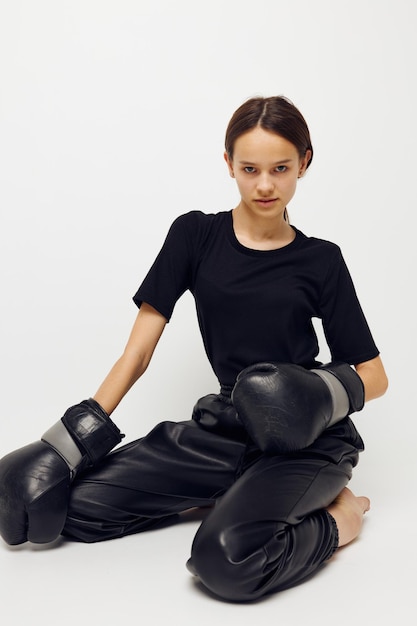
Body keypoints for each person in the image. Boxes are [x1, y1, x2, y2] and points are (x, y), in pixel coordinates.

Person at [0, 96, 388, 602]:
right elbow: (136, 354)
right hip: (224, 430)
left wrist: (313, 394)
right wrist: (67, 443)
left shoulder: (321, 260)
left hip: (304, 439)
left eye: (281, 168)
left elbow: (374, 374)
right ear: (228, 164)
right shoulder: (195, 235)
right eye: (250, 169)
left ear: (304, 164)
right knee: (61, 508)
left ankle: (341, 515)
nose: (265, 184)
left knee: (226, 560)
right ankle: (222, 494)